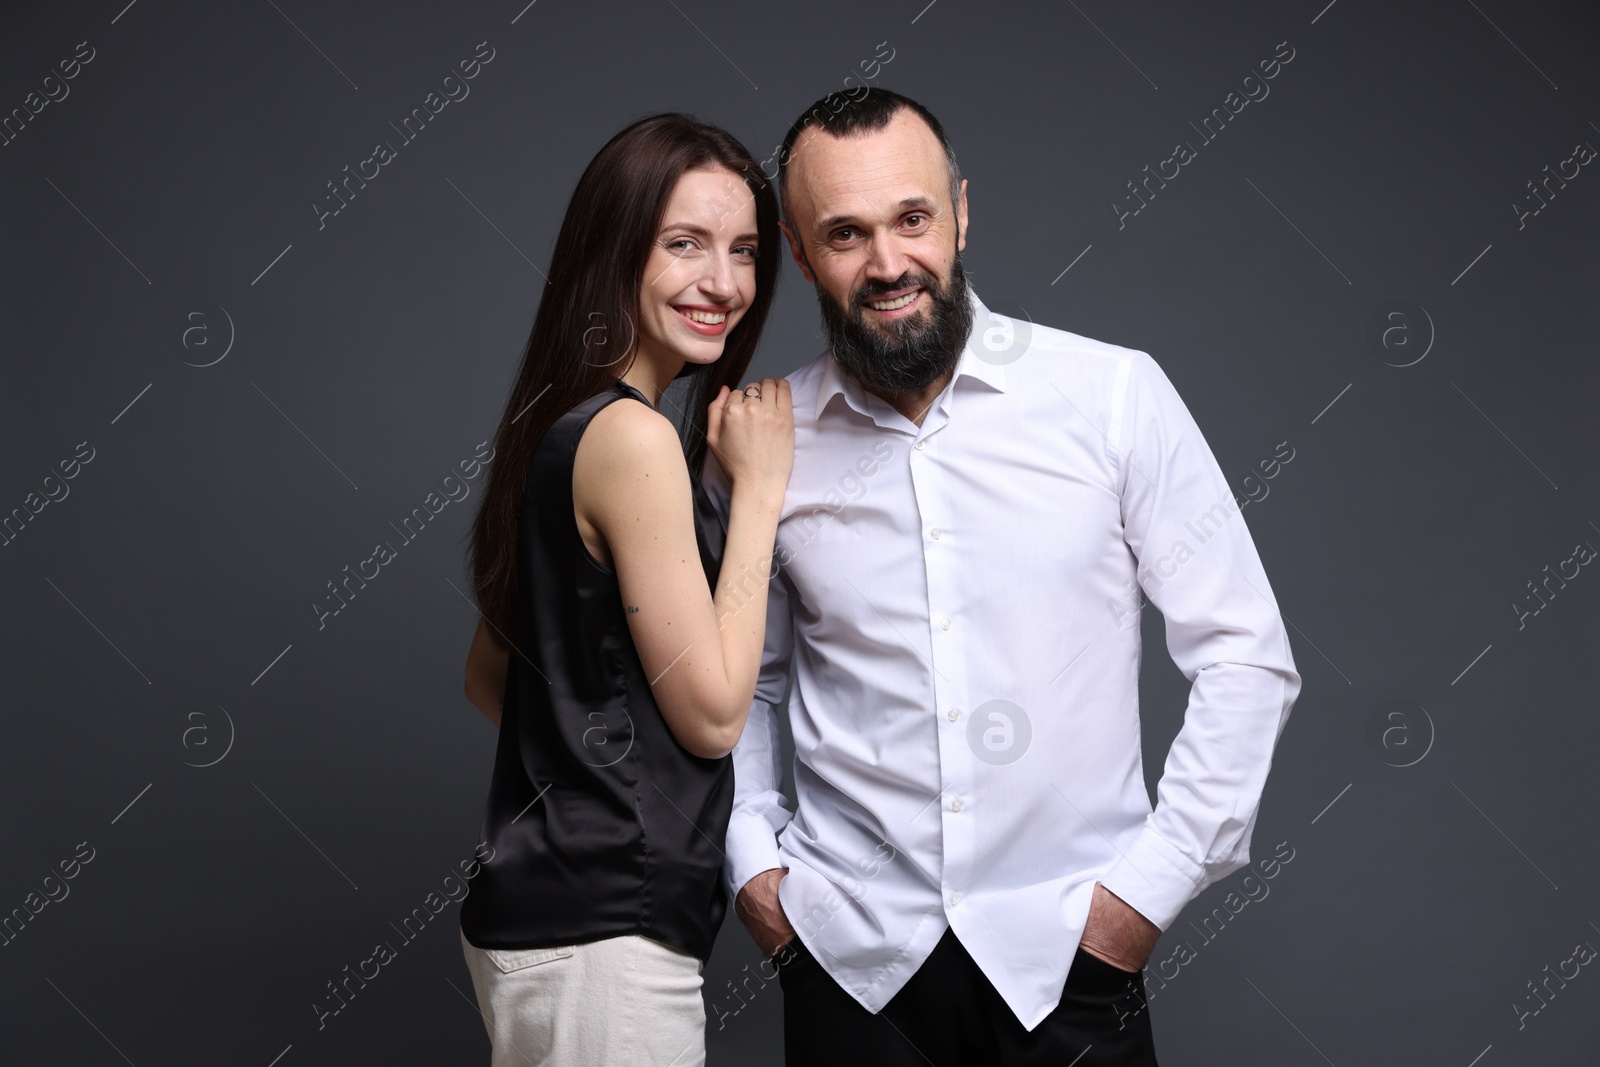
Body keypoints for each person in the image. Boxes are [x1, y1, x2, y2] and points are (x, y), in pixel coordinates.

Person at [705, 87, 1302, 1065]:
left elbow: (1246, 656)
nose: (889, 262)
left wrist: (1136, 902)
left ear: (962, 211)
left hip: (1071, 967)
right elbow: (744, 683)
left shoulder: (1110, 396)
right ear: (799, 250)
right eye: (845, 233)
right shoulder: (761, 439)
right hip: (848, 967)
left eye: (912, 217)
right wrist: (756, 875)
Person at [456, 112, 793, 1067]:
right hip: (603, 940)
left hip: (547, 926)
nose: (722, 283)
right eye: (683, 243)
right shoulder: (635, 439)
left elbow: (492, 675)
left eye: (743, 250)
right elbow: (715, 715)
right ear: (614, 248)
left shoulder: (560, 423)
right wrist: (760, 491)